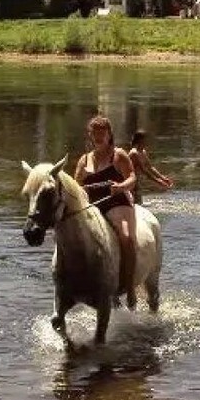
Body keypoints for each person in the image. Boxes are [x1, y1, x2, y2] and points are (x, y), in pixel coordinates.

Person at [73, 115, 138, 298]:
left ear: (110, 134)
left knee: (125, 237)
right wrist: (81, 183)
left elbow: (132, 178)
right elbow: (74, 189)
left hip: (117, 202)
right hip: (93, 208)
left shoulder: (118, 155)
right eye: (95, 133)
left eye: (103, 133)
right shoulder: (84, 161)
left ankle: (130, 286)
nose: (99, 137)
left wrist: (122, 187)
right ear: (90, 136)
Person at [127, 129, 174, 204]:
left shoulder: (143, 152)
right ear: (140, 140)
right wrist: (158, 181)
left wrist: (163, 178)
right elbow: (144, 171)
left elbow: (150, 167)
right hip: (130, 182)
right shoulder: (134, 153)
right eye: (146, 139)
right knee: (135, 203)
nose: (147, 141)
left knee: (139, 203)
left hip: (137, 181)